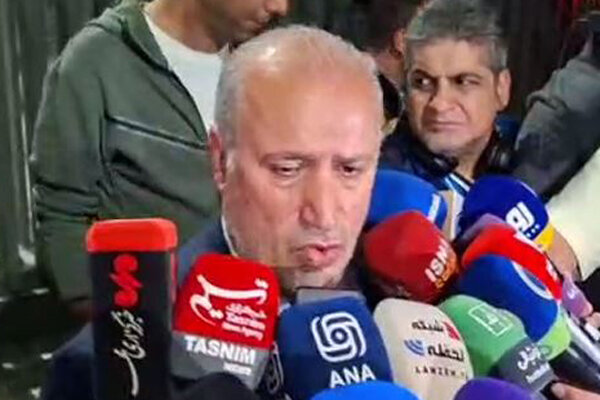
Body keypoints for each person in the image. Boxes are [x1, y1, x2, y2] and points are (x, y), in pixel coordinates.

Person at [41, 25, 384, 400]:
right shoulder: (106, 369)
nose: (324, 214)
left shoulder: (404, 300)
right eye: (287, 169)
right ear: (220, 162)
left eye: (350, 169)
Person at [30, 0, 289, 315]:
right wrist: (129, 326)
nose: (280, 6)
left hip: (260, 321)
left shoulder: (270, 64)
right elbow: (63, 224)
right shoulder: (95, 63)